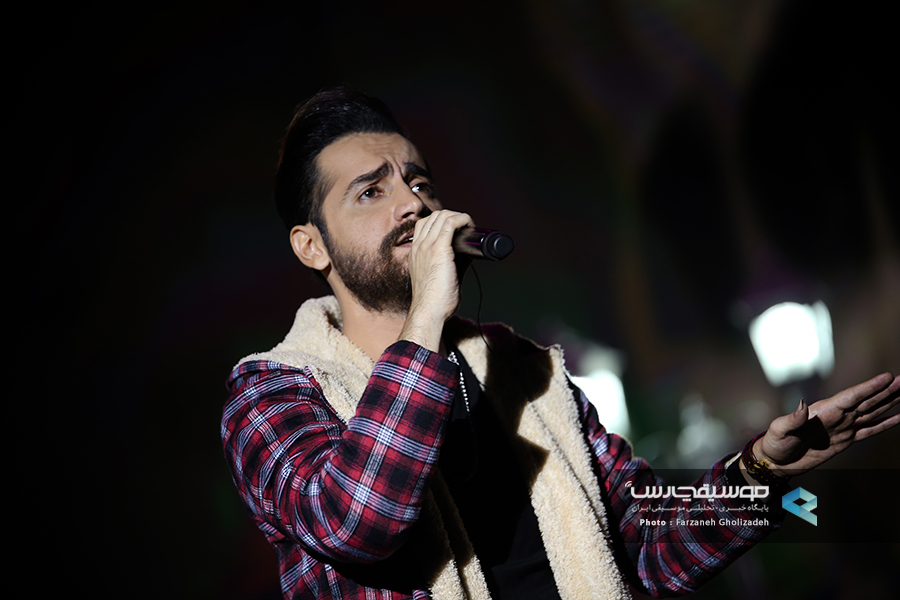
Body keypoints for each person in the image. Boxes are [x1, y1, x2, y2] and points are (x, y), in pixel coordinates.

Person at [221, 87, 899, 600]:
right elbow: (354, 523)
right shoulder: (271, 392)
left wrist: (761, 474)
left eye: (418, 181)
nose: (413, 205)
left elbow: (642, 543)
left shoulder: (519, 369)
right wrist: (424, 319)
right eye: (371, 192)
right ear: (312, 246)